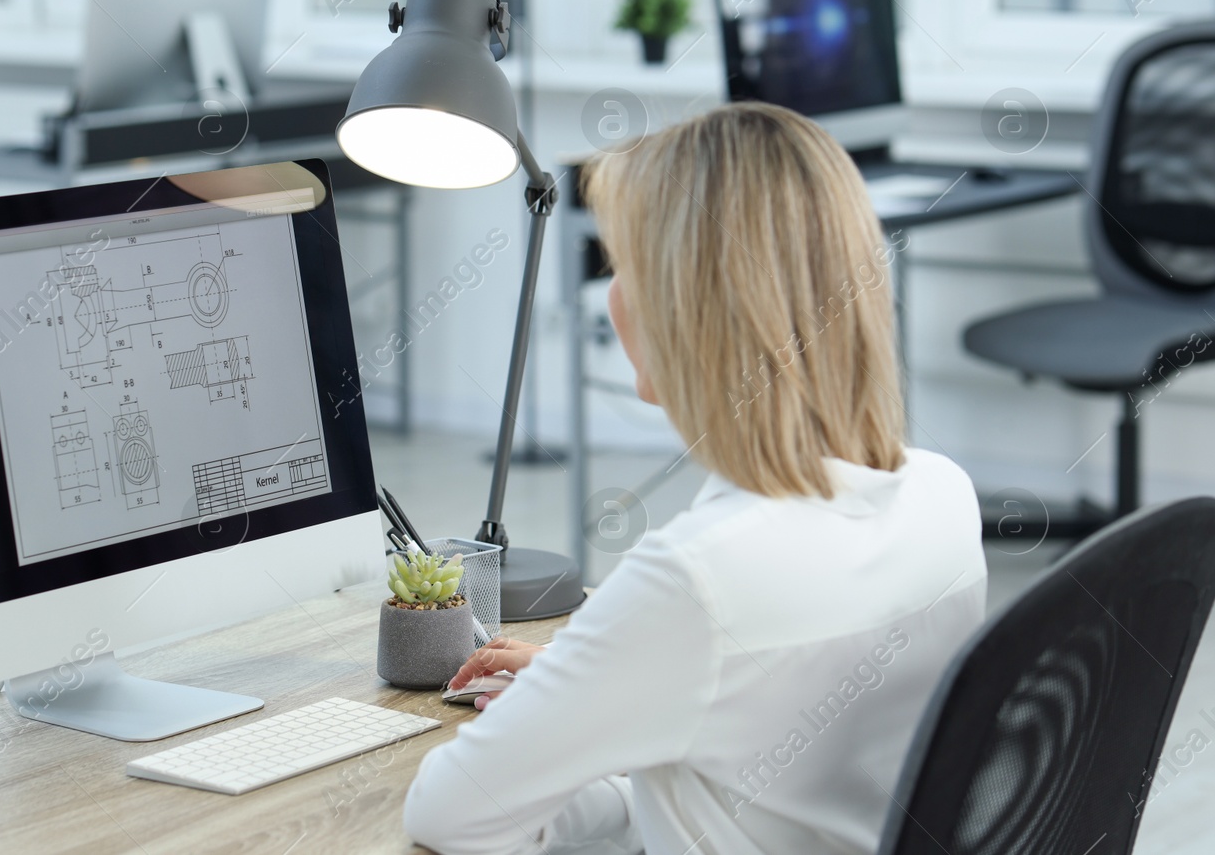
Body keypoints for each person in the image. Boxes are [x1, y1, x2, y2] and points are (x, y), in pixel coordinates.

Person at [403, 103, 987, 855]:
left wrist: (585, 722)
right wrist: (611, 685)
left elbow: (448, 813)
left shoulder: (696, 580)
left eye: (622, 266)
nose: (613, 294)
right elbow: (769, 726)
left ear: (689, 312)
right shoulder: (942, 496)